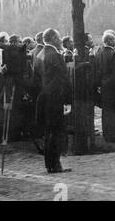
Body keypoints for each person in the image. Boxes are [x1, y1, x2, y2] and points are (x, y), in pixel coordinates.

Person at [34, 28, 72, 173]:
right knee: (57, 131)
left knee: (49, 132)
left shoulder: (40, 54)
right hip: (56, 98)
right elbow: (65, 79)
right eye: (58, 37)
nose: (60, 40)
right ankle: (55, 164)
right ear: (54, 39)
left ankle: (50, 163)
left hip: (45, 97)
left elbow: (35, 79)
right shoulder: (55, 55)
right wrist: (68, 101)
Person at [95, 32, 115, 143]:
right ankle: (112, 135)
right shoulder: (114, 54)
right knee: (114, 111)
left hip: (103, 86)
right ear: (110, 41)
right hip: (113, 88)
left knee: (106, 112)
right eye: (114, 40)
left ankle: (106, 133)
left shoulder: (99, 52)